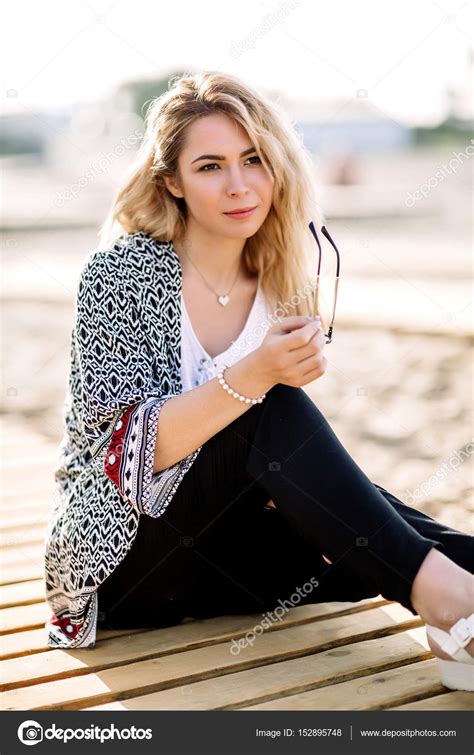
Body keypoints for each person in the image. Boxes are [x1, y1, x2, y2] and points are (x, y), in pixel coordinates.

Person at [44, 71, 473, 693]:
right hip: (122, 561)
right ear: (173, 182)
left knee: (367, 531)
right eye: (211, 166)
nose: (240, 185)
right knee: (270, 410)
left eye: (253, 160)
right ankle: (454, 609)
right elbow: (127, 453)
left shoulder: (277, 273)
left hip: (225, 562)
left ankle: (461, 591)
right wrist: (257, 374)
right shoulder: (123, 275)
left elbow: (286, 466)